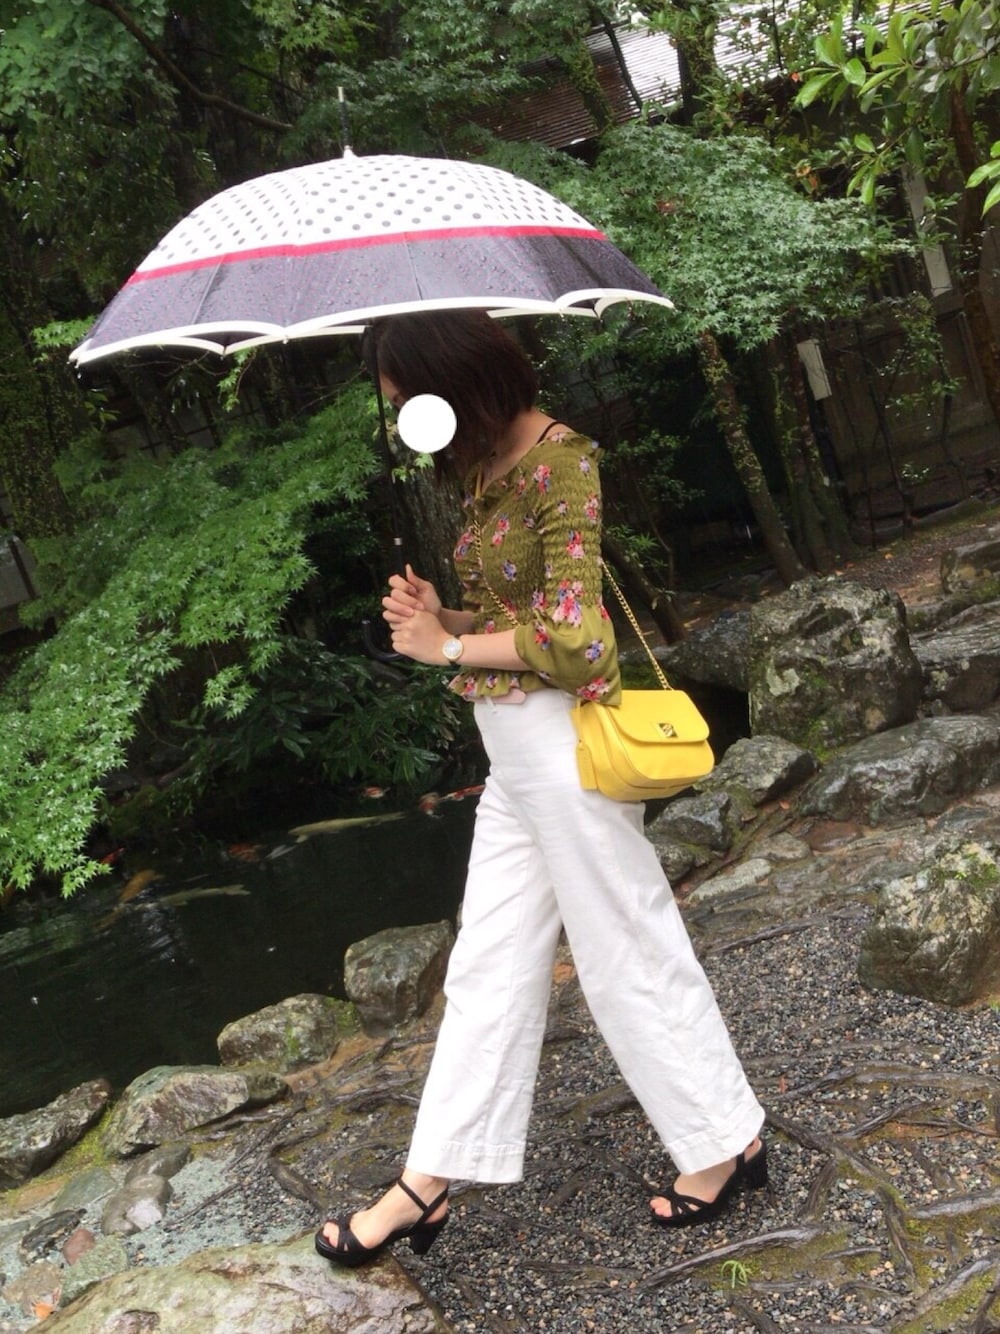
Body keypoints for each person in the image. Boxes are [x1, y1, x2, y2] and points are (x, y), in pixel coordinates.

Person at [315, 310, 767, 1268]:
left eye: (408, 399)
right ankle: (428, 1183)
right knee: (486, 964)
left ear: (456, 379)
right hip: (515, 758)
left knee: (625, 949)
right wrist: (446, 616)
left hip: (565, 749)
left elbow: (580, 643)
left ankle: (724, 1142)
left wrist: (444, 651)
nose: (404, 419)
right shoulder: (485, 467)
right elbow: (519, 617)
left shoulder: (561, 461)